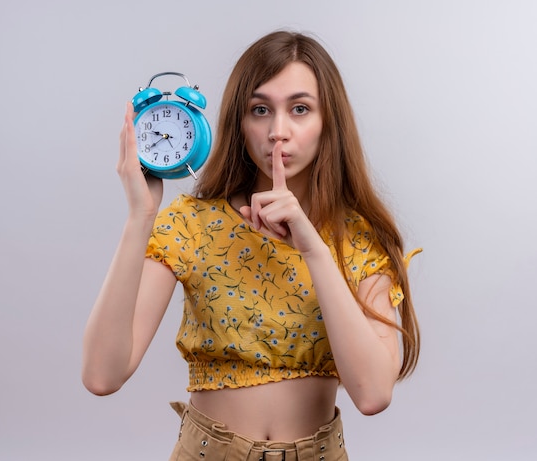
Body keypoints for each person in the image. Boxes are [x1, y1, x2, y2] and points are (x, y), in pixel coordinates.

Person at [82, 30, 421, 461]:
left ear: (327, 122)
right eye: (260, 110)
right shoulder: (194, 223)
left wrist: (313, 248)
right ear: (239, 125)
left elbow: (373, 395)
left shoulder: (358, 238)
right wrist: (140, 217)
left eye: (300, 109)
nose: (278, 132)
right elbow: (101, 375)